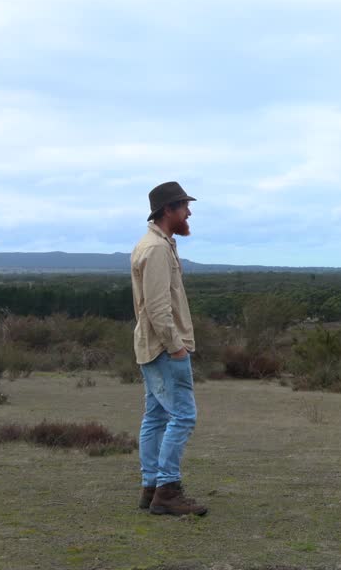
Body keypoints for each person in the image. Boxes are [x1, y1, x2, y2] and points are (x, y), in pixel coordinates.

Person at [131, 181, 207, 516]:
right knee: (183, 415)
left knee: (156, 416)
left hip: (151, 346)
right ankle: (168, 489)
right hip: (164, 348)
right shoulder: (158, 249)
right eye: (183, 206)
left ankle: (152, 488)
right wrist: (177, 348)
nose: (188, 212)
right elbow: (159, 308)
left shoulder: (154, 244)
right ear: (168, 210)